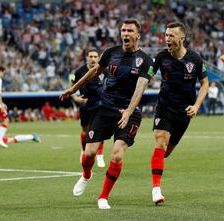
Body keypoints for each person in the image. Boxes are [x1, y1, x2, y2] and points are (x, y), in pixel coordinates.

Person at [60, 19, 154, 209]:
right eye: (123, 30)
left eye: (130, 31)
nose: (125, 34)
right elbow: (94, 71)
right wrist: (73, 89)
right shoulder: (111, 53)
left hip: (130, 112)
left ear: (138, 35)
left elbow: (140, 87)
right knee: (88, 154)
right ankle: (87, 174)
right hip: (105, 109)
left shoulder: (145, 60)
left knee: (117, 155)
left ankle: (103, 196)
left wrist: (128, 110)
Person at [149, 22, 209, 205]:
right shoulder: (161, 57)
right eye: (166, 35)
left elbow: (205, 83)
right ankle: (156, 190)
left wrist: (197, 106)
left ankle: (158, 168)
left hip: (184, 112)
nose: (167, 39)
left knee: (165, 152)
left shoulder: (195, 59)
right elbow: (146, 76)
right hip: (164, 107)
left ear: (181, 38)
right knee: (160, 141)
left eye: (171, 36)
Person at [71, 49, 106, 168]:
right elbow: (71, 87)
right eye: (91, 56)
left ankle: (100, 155)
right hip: (85, 105)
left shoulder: (103, 70)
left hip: (100, 104)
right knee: (85, 131)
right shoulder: (79, 72)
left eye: (95, 56)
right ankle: (84, 150)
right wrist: (75, 98)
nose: (93, 59)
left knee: (99, 130)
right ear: (87, 57)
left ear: (98, 58)